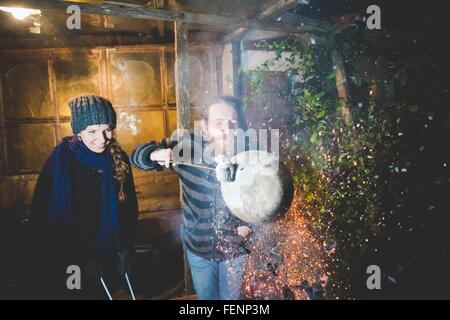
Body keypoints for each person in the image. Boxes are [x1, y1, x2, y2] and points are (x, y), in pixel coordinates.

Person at [131, 96, 252, 300]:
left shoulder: (251, 155)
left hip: (235, 251)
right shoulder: (186, 147)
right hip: (198, 249)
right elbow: (136, 156)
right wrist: (156, 154)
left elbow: (268, 202)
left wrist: (251, 225)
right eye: (218, 122)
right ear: (204, 127)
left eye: (233, 121)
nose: (227, 128)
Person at [29, 95, 138, 299]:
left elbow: (129, 209)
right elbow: (42, 219)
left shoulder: (119, 159)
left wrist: (125, 248)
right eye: (92, 131)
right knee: (77, 294)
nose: (102, 138)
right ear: (78, 131)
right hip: (71, 259)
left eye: (107, 129)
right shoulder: (60, 164)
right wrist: (83, 258)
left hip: (111, 255)